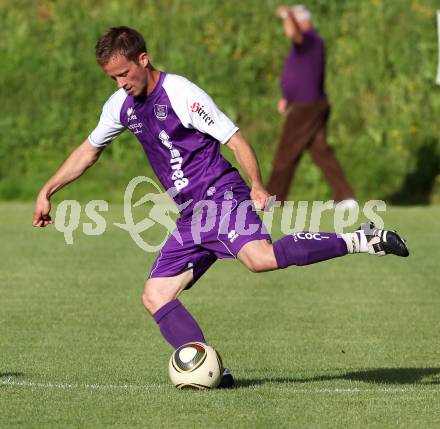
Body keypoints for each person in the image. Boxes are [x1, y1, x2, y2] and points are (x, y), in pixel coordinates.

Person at [32, 26, 409, 388]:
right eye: (112, 78)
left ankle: (362, 239)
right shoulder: (121, 106)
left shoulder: (182, 94)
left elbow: (235, 140)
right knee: (155, 296)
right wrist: (49, 189)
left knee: (260, 259)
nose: (121, 84)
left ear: (143, 59)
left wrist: (257, 186)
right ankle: (212, 369)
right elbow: (89, 151)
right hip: (191, 215)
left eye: (124, 74)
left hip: (221, 195)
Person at [267, 5, 355, 206]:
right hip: (311, 103)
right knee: (320, 151)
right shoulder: (309, 44)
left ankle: (272, 199)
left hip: (306, 106)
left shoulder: (310, 39)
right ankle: (345, 196)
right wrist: (287, 97)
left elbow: (292, 33)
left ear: (301, 21)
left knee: (285, 152)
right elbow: (303, 74)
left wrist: (285, 14)